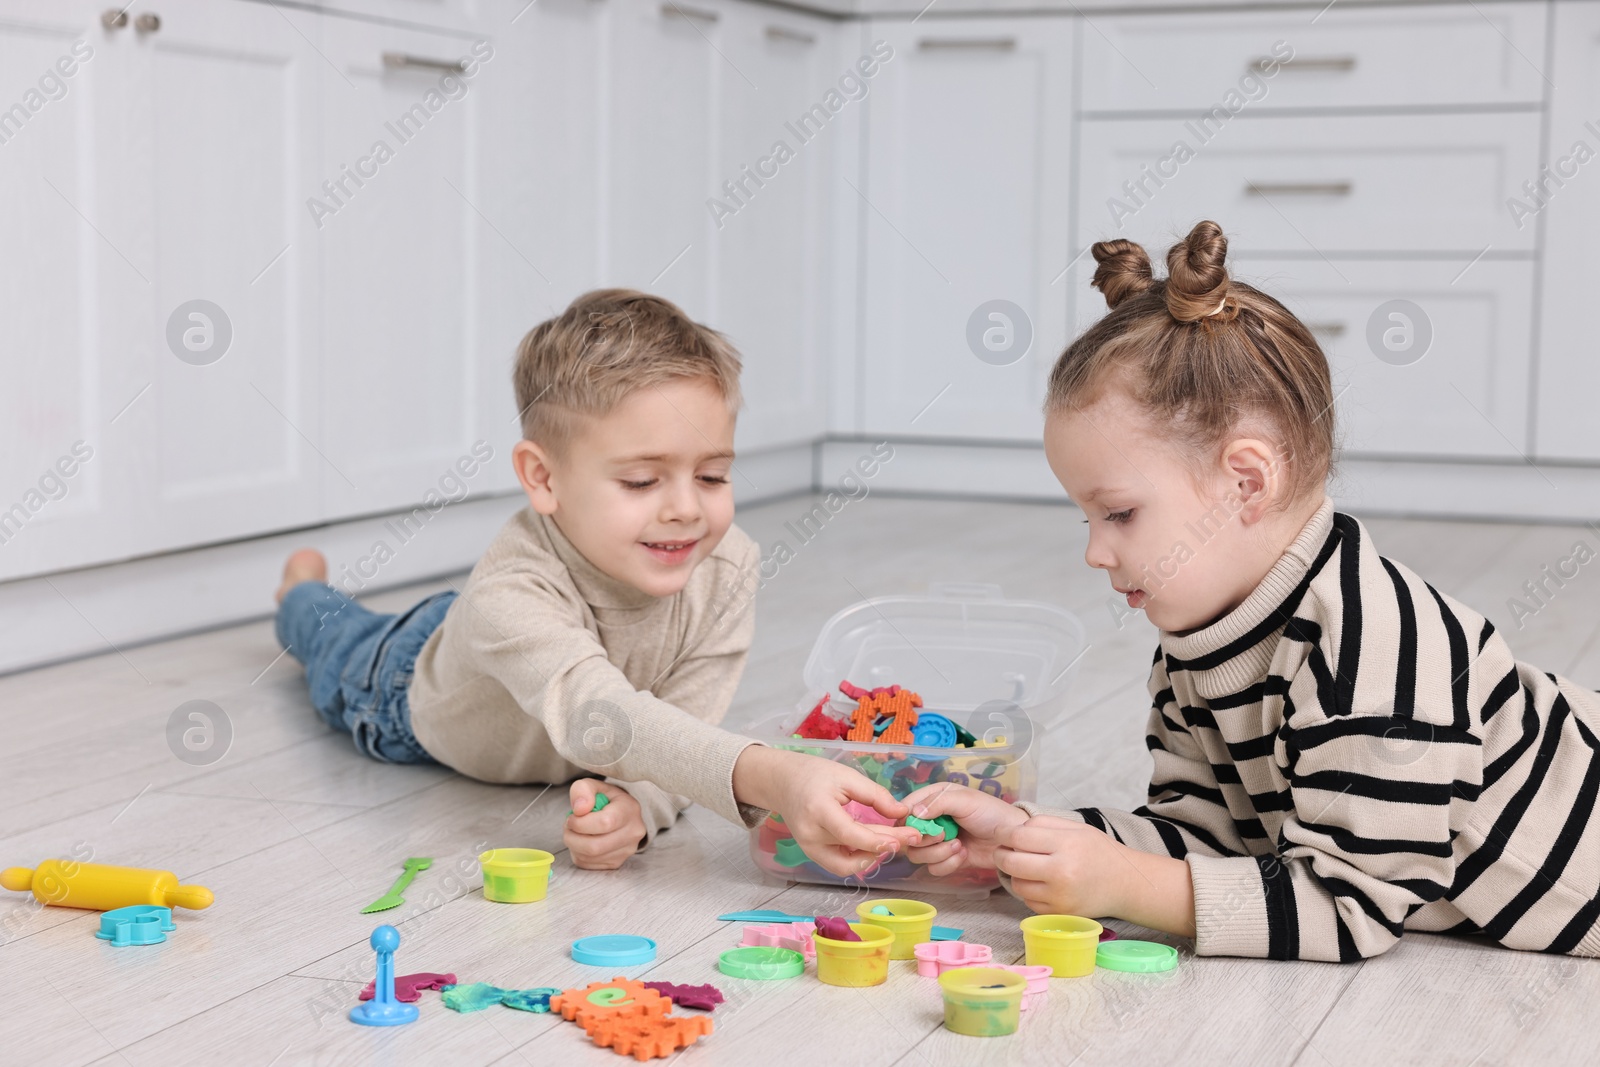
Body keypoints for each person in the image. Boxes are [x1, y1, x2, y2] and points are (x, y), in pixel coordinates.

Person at [905, 221, 1600, 960]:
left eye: (1119, 514)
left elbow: (1352, 908)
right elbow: (1210, 837)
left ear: (1246, 482)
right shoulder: (1201, 643)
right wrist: (1029, 841)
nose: (1094, 551)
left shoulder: (1371, 648)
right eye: (1087, 517)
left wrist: (1122, 885)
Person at [275, 289, 915, 872]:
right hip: (400, 685)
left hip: (503, 643)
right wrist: (775, 775)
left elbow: (682, 730)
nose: (687, 509)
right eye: (642, 481)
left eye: (714, 475)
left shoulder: (726, 566)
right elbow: (598, 716)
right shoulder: (508, 595)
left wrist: (641, 807)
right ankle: (300, 588)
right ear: (543, 478)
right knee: (326, 630)